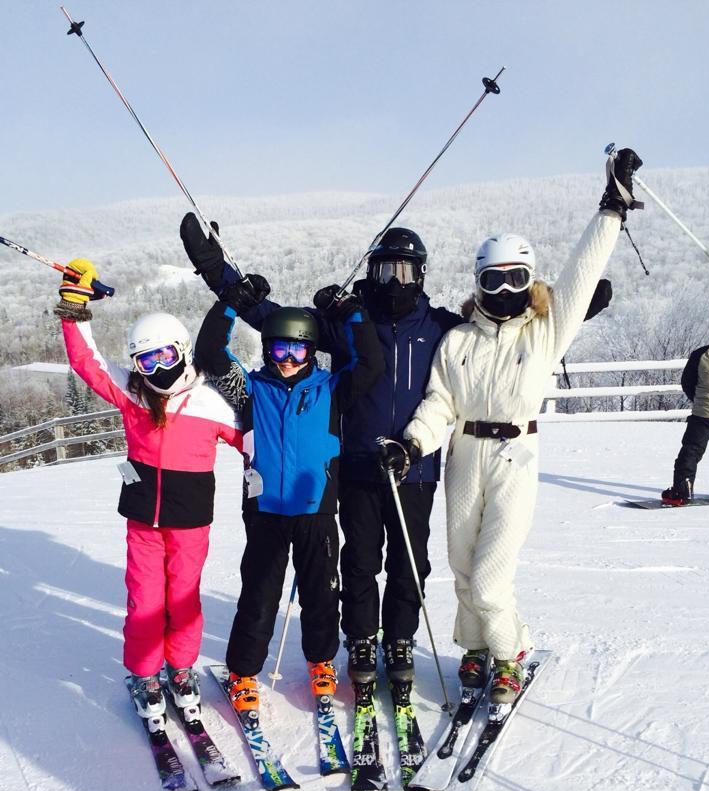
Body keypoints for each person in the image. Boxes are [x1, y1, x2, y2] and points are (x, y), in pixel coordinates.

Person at [382, 148, 643, 705]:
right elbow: (439, 404)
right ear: (477, 284)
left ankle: (508, 656)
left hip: (516, 458)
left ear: (530, 282)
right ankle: (474, 649)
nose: (504, 292)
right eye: (493, 281)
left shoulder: (543, 333)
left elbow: (580, 275)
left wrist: (611, 210)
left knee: (492, 577)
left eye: (516, 280)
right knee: (460, 565)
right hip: (463, 455)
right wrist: (412, 443)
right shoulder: (458, 341)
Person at [181, 216, 463, 687]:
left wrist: (555, 311)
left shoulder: (440, 326)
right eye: (384, 271)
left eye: (405, 272)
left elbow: (497, 327)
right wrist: (216, 269)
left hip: (414, 466)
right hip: (353, 466)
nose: (394, 282)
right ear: (369, 273)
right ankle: (359, 639)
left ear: (422, 275)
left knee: (409, 563)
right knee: (358, 563)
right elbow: (269, 319)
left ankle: (398, 639)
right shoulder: (344, 324)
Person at [54, 258, 245, 719]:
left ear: (181, 351)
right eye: (145, 360)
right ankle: (145, 675)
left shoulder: (210, 403)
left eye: (164, 356)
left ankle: (180, 669)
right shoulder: (134, 395)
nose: (156, 369)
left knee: (183, 600)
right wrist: (75, 307)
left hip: (190, 525)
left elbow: (257, 444)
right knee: (144, 602)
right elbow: (88, 362)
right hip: (142, 520)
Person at [186, 267, 383, 711]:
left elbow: (371, 363)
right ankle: (242, 671)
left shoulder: (332, 389)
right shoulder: (250, 390)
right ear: (267, 348)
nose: (288, 358)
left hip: (317, 511)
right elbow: (211, 354)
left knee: (321, 595)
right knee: (258, 596)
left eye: (297, 348)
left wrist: (352, 312)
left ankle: (321, 662)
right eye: (279, 347)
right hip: (266, 512)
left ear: (312, 350)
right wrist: (231, 302)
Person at [662, 314, 709, 504]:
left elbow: (687, 381)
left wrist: (698, 400)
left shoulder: (701, 354)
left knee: (691, 451)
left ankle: (682, 490)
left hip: (703, 412)